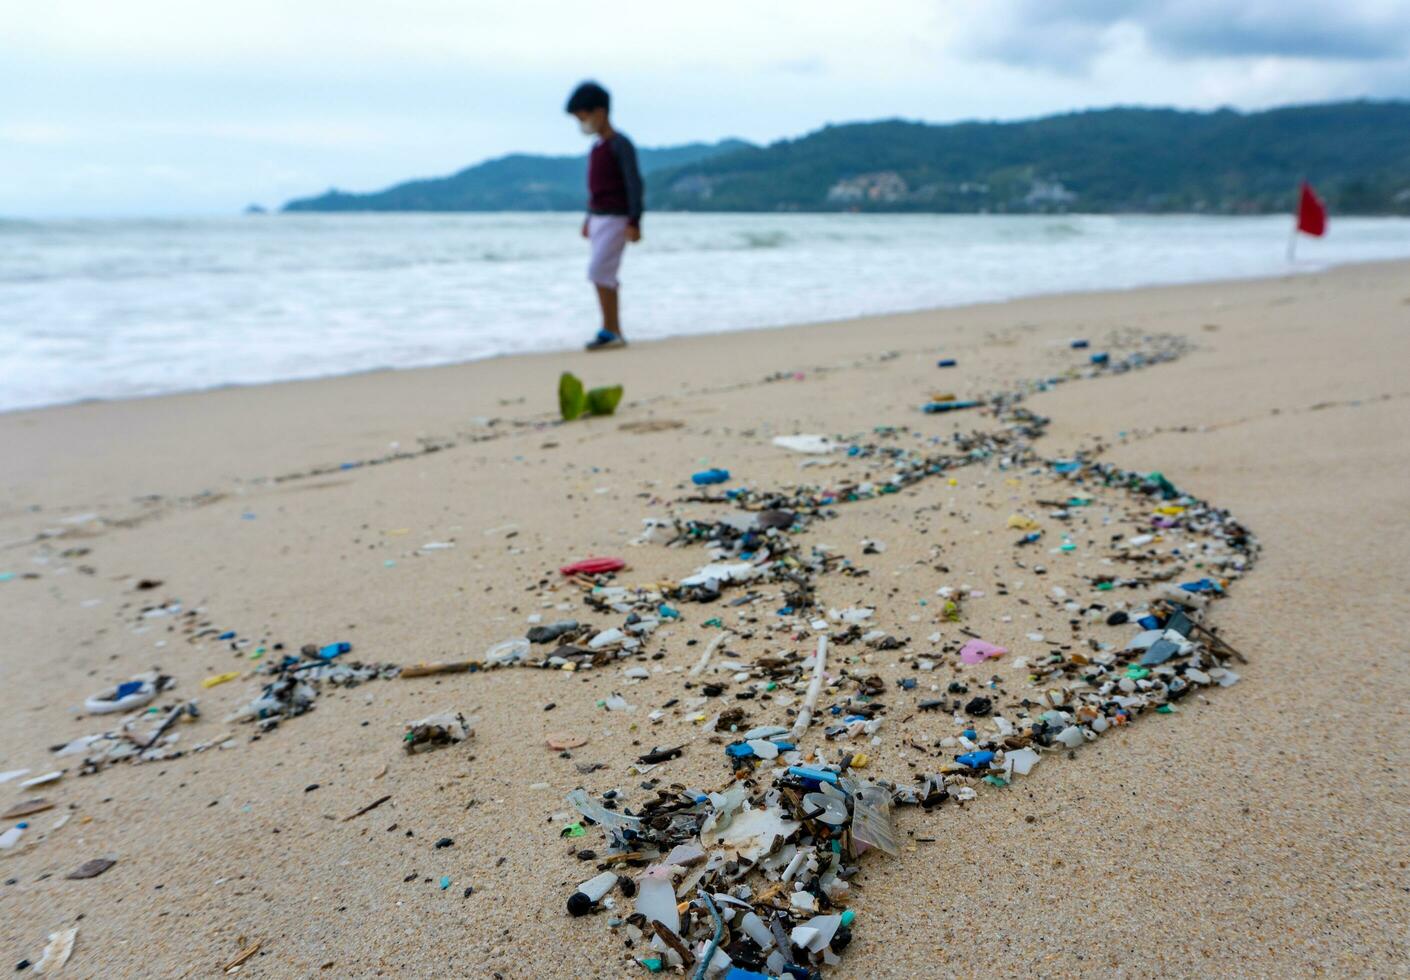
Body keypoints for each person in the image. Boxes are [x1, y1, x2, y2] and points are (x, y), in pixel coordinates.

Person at [565, 80, 642, 351]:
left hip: (616, 217)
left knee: (600, 271)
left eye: (582, 117)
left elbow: (634, 183)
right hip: (598, 217)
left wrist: (634, 220)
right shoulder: (597, 147)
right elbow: (595, 189)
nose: (581, 124)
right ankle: (610, 329)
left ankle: (612, 329)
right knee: (601, 273)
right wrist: (588, 219)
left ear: (600, 112)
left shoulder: (620, 144)